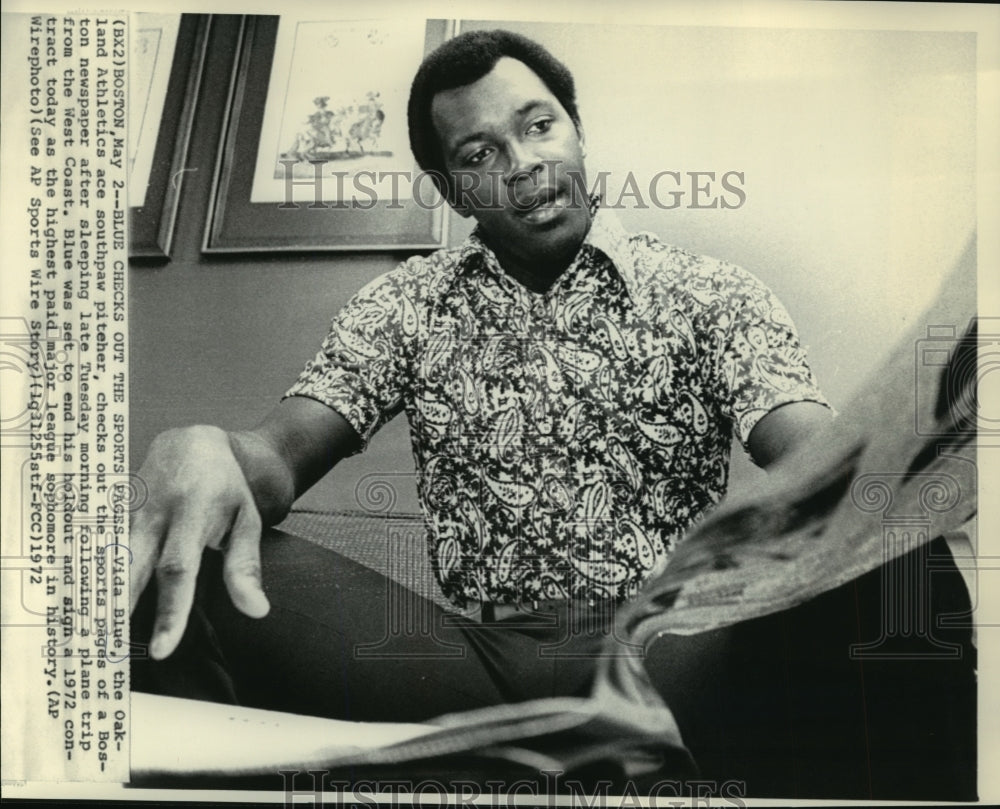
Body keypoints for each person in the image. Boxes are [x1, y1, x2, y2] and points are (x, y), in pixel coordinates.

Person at [131, 27, 848, 777]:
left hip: (675, 651)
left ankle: (553, 759)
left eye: (539, 126)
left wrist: (889, 463)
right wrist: (207, 448)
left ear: (577, 131)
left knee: (880, 559)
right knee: (184, 540)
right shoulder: (406, 304)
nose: (523, 163)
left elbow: (815, 451)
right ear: (451, 191)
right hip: (475, 669)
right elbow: (279, 455)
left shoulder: (712, 293)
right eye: (479, 155)